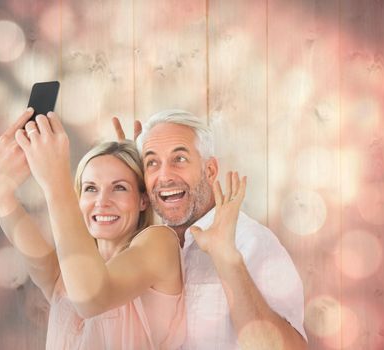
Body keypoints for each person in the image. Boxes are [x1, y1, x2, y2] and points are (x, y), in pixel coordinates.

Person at [0, 108, 201, 349]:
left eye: (119, 187)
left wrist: (56, 181)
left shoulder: (160, 243)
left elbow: (92, 298)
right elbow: (7, 206)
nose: (102, 201)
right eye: (90, 188)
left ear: (142, 200)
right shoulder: (65, 275)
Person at [113, 109, 308, 349]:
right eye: (152, 162)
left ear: (210, 170)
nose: (164, 176)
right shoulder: (143, 246)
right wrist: (124, 183)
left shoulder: (253, 242)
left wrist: (227, 259)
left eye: (179, 159)